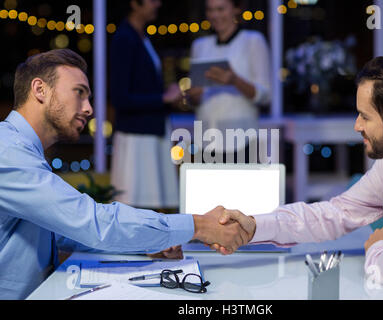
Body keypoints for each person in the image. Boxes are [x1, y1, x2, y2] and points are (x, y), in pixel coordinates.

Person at [0, 49, 251, 300]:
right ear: (39, 89)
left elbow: (61, 231)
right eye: (79, 93)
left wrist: (148, 243)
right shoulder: (7, 151)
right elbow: (92, 222)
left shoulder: (20, 149)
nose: (89, 109)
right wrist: (200, 225)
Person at [211, 57, 383, 300]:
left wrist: (377, 246)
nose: (357, 126)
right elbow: (334, 213)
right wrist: (255, 226)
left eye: (365, 116)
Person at [109, 0, 182, 209]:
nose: (158, 4)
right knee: (135, 205)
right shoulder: (125, 38)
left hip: (149, 131)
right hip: (136, 137)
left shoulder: (141, 37)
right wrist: (163, 98)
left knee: (149, 206)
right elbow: (120, 97)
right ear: (134, 3)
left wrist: (166, 96)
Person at [187, 0, 271, 163]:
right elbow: (195, 98)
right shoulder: (200, 46)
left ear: (236, 9)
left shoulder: (253, 41)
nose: (215, 15)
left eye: (221, 9)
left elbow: (265, 95)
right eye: (210, 10)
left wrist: (234, 81)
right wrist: (192, 96)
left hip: (242, 138)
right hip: (206, 139)